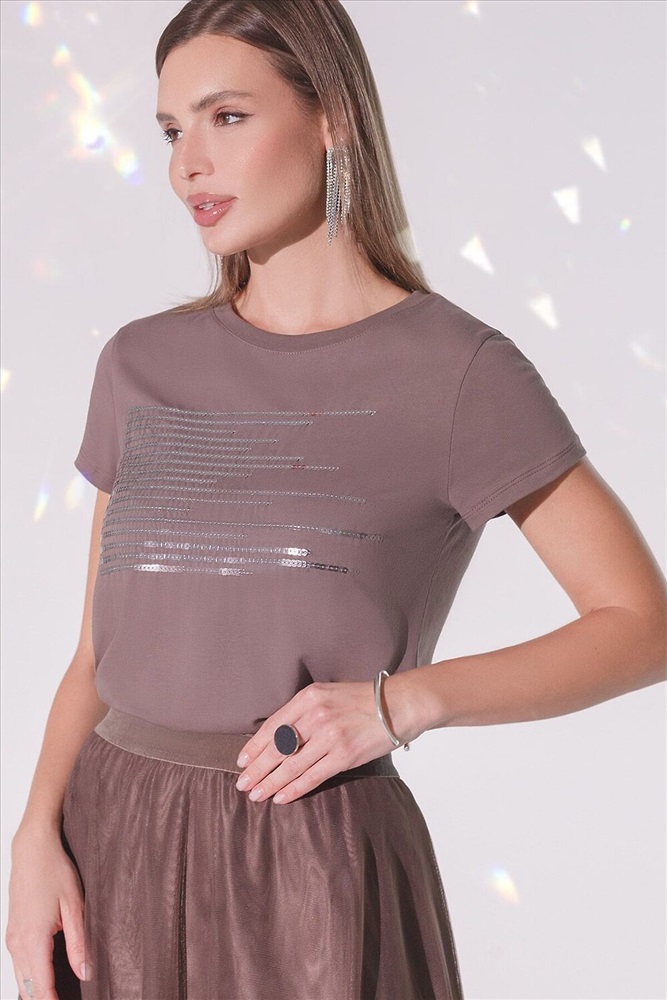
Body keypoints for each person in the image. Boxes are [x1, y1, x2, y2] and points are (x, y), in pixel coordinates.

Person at [6, 1, 667, 998]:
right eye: (173, 130)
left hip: (310, 863)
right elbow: (97, 657)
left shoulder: (456, 372)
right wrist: (33, 838)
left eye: (227, 117)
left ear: (332, 118)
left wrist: (404, 703)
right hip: (110, 848)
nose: (189, 164)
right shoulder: (140, 365)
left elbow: (639, 624)